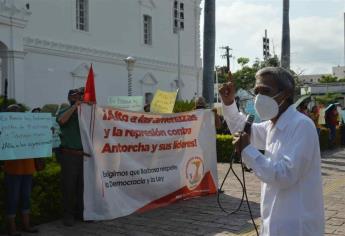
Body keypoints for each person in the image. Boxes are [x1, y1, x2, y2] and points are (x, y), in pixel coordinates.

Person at [219, 67, 324, 236]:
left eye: (266, 91)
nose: (259, 97)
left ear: (286, 93)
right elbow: (243, 130)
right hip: (274, 222)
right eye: (257, 91)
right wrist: (229, 103)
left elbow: (285, 175)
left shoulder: (301, 125)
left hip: (297, 226)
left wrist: (247, 151)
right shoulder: (271, 126)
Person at [4, 104, 38, 236]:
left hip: (28, 169)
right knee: (12, 198)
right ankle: (11, 228)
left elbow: (39, 140)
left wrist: (47, 133)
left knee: (26, 197)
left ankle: (26, 225)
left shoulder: (28, 128)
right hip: (13, 170)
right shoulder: (5, 129)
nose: (16, 114)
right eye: (13, 112)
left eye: (18, 112)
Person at [57, 88, 85, 226]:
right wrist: (75, 106)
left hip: (84, 156)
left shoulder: (85, 113)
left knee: (83, 187)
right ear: (70, 97)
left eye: (81, 95)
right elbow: (62, 121)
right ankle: (68, 215)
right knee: (69, 187)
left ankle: (82, 213)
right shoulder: (65, 110)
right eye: (76, 95)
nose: (80, 96)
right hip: (69, 156)